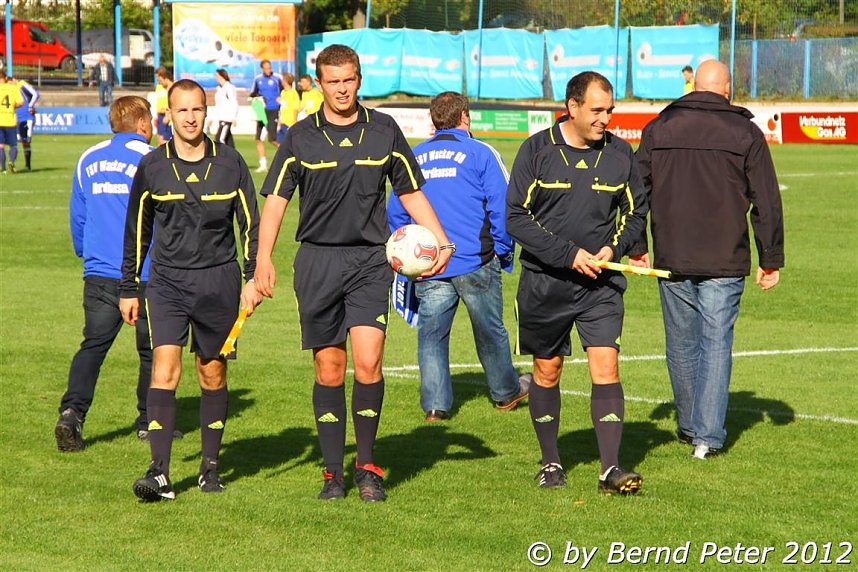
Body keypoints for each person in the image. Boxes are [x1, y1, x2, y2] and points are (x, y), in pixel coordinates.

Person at [255, 44, 453, 502]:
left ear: (359, 80)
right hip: (318, 262)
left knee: (368, 362)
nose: (341, 89)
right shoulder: (301, 137)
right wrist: (263, 258)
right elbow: (277, 201)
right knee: (330, 367)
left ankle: (366, 466)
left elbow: (412, 193)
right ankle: (332, 473)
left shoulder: (383, 130)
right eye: (333, 81)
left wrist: (440, 240)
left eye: (348, 80)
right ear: (318, 84)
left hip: (369, 261)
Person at [631, 60, 784, 460]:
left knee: (680, 344)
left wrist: (636, 245)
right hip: (724, 255)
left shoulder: (658, 127)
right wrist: (770, 258)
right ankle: (707, 437)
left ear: (693, 86)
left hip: (672, 253)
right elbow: (765, 200)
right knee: (715, 343)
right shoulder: (745, 131)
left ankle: (690, 426)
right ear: (727, 89)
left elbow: (634, 193)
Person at [506, 71, 648, 494]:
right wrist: (568, 255)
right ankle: (550, 462)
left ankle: (610, 470)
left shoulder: (622, 154)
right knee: (547, 371)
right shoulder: (537, 150)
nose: (606, 118)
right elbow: (515, 217)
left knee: (606, 366)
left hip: (600, 287)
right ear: (572, 107)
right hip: (545, 282)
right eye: (597, 110)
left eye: (610, 110)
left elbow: (637, 213)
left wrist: (613, 250)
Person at [119, 79, 261, 502]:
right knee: (164, 368)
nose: (190, 117)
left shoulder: (231, 163)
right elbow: (136, 231)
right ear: (169, 114)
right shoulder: (153, 166)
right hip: (166, 282)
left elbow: (249, 224)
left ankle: (210, 467)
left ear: (207, 110)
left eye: (197, 109)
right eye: (181, 111)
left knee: (211, 371)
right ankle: (159, 472)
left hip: (219, 281)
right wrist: (129, 286)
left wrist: (253, 277)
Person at [386, 91, 529, 422]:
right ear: (466, 117)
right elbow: (502, 207)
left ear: (432, 120)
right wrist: (503, 253)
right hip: (475, 260)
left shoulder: (415, 156)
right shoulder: (481, 152)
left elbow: (397, 212)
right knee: (490, 331)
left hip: (430, 264)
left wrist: (411, 259)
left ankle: (436, 408)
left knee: (432, 335)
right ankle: (506, 394)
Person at [55, 96, 175, 451]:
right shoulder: (152, 159)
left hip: (99, 272)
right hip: (146, 272)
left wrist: (87, 254)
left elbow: (78, 216)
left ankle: (71, 413)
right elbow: (167, 219)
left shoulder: (87, 158)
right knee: (152, 349)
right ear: (141, 123)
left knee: (93, 345)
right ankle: (148, 421)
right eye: (150, 120)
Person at [249, 59, 282, 172]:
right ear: (262, 68)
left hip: (273, 110)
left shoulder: (277, 78)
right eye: (266, 68)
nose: (269, 70)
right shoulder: (258, 79)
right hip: (261, 111)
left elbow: (285, 90)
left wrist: (281, 99)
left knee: (272, 139)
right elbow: (253, 93)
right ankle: (263, 164)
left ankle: (288, 154)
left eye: (270, 67)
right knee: (258, 138)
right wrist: (256, 99)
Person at [0, 76, 24, 174]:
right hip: (10, 121)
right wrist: (13, 107)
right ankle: (12, 161)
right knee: (13, 145)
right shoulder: (13, 88)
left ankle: (4, 169)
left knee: (0, 146)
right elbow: (21, 102)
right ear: (5, 78)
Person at [15, 76, 38, 171]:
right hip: (14, 118)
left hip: (26, 118)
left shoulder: (21, 85)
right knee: (13, 141)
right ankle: (11, 164)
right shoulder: (8, 88)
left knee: (25, 142)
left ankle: (28, 166)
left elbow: (36, 95)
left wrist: (30, 106)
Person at [212, 68, 238, 147]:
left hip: (227, 119)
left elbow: (234, 102)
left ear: (221, 76)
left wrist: (233, 117)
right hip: (221, 117)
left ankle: (222, 157)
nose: (216, 77)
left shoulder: (229, 88)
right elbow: (218, 105)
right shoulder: (219, 89)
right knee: (229, 141)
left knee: (220, 139)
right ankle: (234, 158)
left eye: (217, 75)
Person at [276, 73, 300, 144]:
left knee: (288, 144)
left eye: (283, 79)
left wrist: (294, 122)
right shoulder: (283, 92)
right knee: (280, 143)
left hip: (289, 123)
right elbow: (282, 108)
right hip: (282, 122)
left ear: (286, 81)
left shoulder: (293, 93)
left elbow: (296, 108)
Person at [154, 67, 174, 145]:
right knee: (159, 140)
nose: (159, 81)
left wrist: (168, 115)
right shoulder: (159, 87)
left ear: (164, 77)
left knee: (165, 141)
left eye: (159, 79)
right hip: (160, 116)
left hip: (168, 117)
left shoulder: (174, 87)